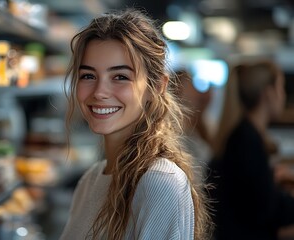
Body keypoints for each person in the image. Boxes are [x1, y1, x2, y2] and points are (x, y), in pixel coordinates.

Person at [60, 8, 212, 240]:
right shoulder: (90, 180)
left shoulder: (160, 182)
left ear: (157, 87)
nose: (100, 92)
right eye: (88, 76)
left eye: (120, 77)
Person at [208, 60, 294, 240]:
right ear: (268, 93)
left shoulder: (244, 135)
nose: (283, 95)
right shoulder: (246, 140)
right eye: (281, 88)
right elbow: (267, 209)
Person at [174, 69, 213, 183]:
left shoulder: (198, 126)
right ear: (178, 91)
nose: (197, 91)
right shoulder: (177, 133)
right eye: (191, 86)